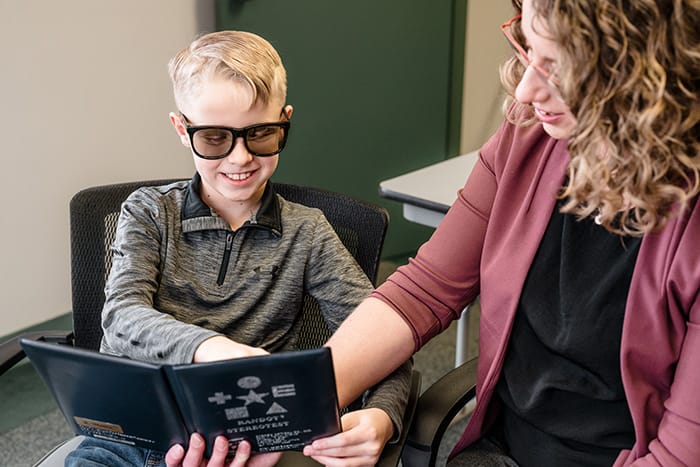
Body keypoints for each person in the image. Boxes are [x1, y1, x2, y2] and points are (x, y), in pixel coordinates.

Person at [310, 0, 699, 466]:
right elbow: (424, 290)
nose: (528, 88)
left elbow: (680, 453)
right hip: (503, 448)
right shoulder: (529, 135)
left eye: (559, 69)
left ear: (648, 75)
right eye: (529, 49)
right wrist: (298, 402)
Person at [65, 30, 411, 467]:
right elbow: (121, 318)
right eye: (214, 138)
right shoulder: (149, 212)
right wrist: (213, 349)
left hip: (246, 449)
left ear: (285, 120)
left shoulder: (308, 233)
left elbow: (383, 339)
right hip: (132, 438)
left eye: (261, 134)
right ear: (181, 128)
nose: (240, 157)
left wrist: (382, 415)